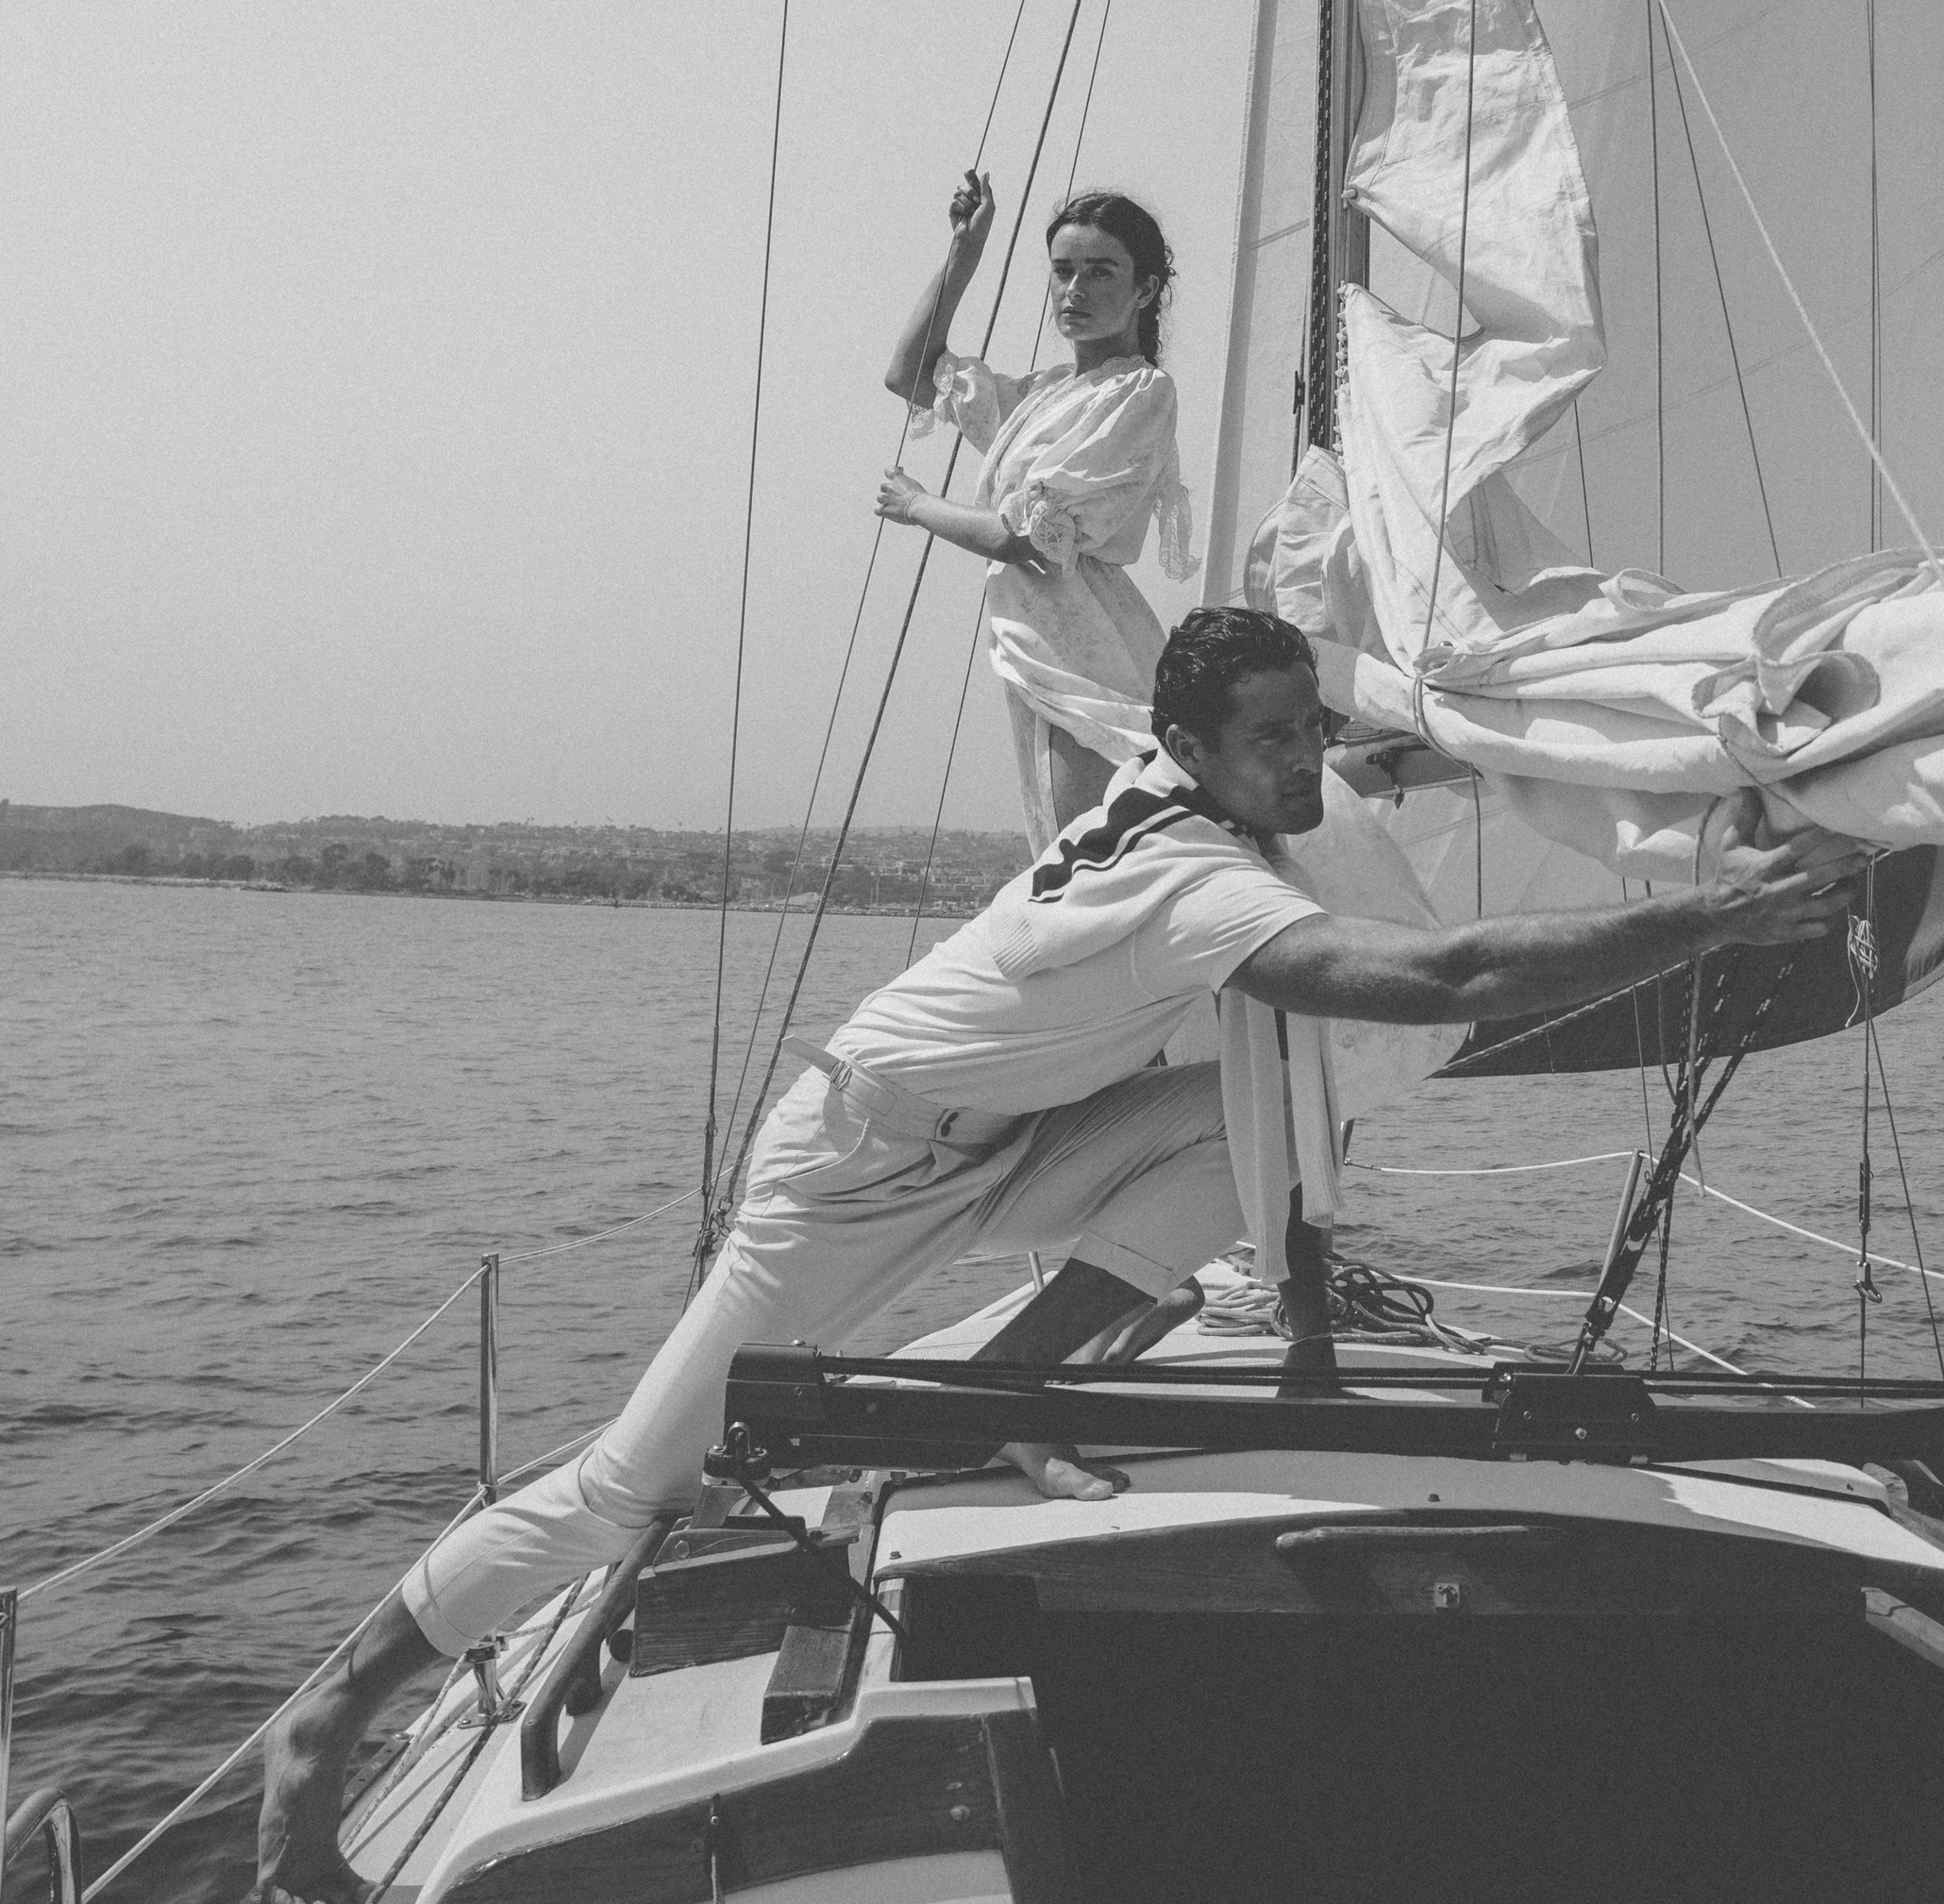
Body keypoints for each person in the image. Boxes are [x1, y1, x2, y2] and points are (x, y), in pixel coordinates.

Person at [257, 605, 1855, 1901]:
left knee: (1270, 1122)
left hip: (1006, 1140)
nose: (1306, 764)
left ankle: (1012, 1390)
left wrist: (1435, 740)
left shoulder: (1184, 781)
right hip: (855, 1160)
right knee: (636, 1489)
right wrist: (1710, 915)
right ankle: (328, 1716)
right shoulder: (1189, 879)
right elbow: (1437, 971)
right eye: (1274, 740)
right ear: (1192, 756)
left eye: (1311, 730)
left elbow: (1360, 757)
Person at [879, 175, 1195, 853]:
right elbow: (908, 373)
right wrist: (964, 255)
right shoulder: (1045, 396)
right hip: (1034, 639)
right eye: (1063, 271)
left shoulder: (1141, 391)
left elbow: (1031, 543)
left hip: (1089, 650)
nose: (1075, 291)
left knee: (1090, 858)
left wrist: (918, 506)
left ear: (1144, 290)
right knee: (1070, 851)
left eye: (1100, 272)